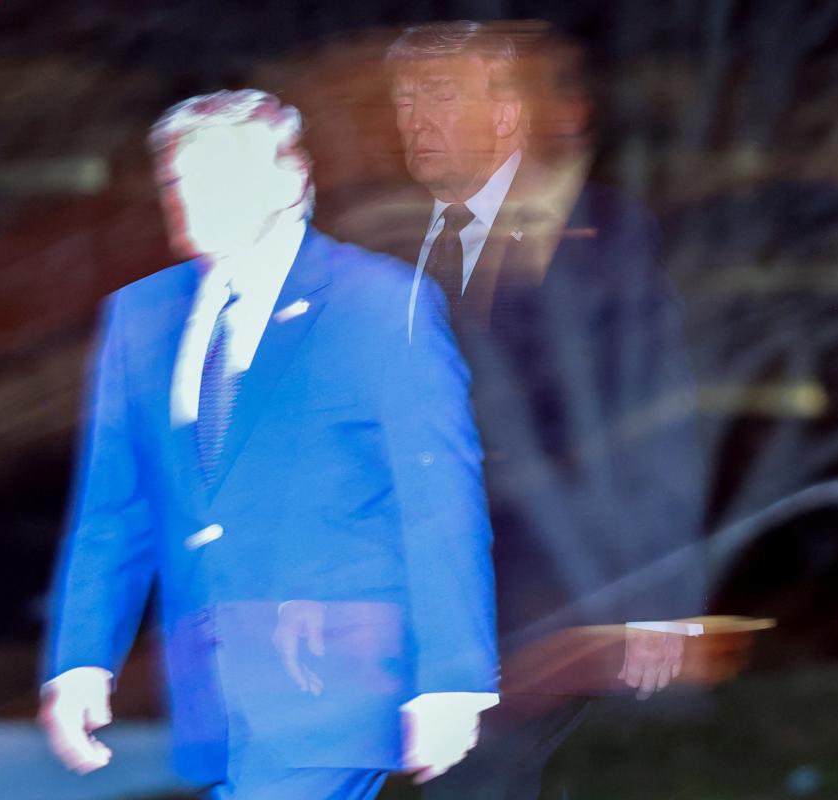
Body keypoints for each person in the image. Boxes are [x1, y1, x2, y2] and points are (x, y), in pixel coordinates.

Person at [38, 90, 498, 800]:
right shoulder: (140, 316)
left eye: (219, 173)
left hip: (333, 680)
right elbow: (113, 510)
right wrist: (80, 662)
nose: (190, 196)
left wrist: (453, 679)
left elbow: (437, 495)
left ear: (291, 179)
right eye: (179, 178)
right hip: (207, 694)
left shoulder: (376, 303)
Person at [337, 21, 707, 798]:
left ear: (506, 115)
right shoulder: (380, 249)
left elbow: (653, 426)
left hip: (551, 611)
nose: (415, 123)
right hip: (412, 618)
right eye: (404, 102)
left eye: (440, 99)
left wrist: (658, 602)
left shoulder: (602, 237)